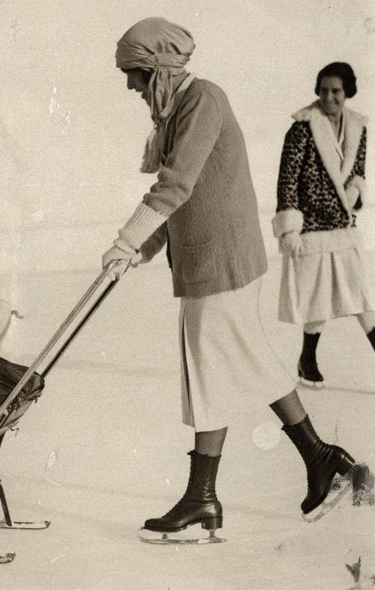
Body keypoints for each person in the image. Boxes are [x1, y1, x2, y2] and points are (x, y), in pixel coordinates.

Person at [101, 18, 359, 541]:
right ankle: (289, 468)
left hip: (223, 261)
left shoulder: (203, 101)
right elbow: (184, 197)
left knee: (221, 367)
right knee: (222, 368)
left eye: (134, 73)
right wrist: (142, 250)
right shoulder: (180, 109)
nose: (130, 85)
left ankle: (291, 467)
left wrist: (127, 241)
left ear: (158, 68)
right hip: (209, 260)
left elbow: (175, 185)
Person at [273, 62, 374, 388]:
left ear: (348, 92)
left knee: (362, 295)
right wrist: (290, 228)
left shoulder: (358, 126)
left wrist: (355, 190)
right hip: (312, 227)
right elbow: (287, 180)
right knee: (318, 299)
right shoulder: (302, 128)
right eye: (324, 90)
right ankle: (307, 360)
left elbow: (358, 171)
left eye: (336, 91)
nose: (329, 97)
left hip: (343, 225)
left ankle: (307, 360)